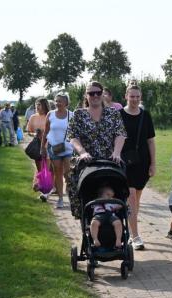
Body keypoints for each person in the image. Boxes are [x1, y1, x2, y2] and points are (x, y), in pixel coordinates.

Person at [67, 81, 126, 219]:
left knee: (119, 186)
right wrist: (82, 152)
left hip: (109, 159)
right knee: (77, 187)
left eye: (98, 93)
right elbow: (73, 137)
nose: (95, 96)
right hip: (87, 160)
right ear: (86, 96)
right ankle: (85, 221)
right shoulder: (78, 114)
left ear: (102, 94)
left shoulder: (113, 113)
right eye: (91, 93)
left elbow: (120, 134)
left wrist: (117, 152)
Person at [119, 81, 156, 250]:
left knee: (136, 199)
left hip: (142, 161)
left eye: (137, 97)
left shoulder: (145, 115)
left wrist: (153, 163)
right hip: (124, 161)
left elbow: (150, 141)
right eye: (131, 96)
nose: (134, 99)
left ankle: (129, 228)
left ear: (140, 98)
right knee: (131, 196)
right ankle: (135, 236)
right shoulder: (118, 114)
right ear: (126, 96)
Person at [41, 92, 74, 208]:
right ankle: (60, 198)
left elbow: (75, 132)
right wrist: (42, 147)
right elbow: (45, 132)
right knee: (58, 172)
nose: (57, 103)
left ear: (66, 103)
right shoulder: (50, 114)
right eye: (56, 101)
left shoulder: (72, 115)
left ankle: (71, 195)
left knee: (68, 173)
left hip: (68, 148)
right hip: (54, 148)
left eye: (60, 101)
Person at [27, 98, 51, 201]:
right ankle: (43, 187)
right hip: (38, 146)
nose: (37, 107)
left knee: (48, 168)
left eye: (39, 105)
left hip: (49, 145)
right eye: (36, 105)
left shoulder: (49, 116)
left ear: (45, 106)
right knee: (40, 169)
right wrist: (35, 134)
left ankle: (45, 191)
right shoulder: (33, 117)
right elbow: (29, 131)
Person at [90, 184, 123, 249]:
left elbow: (120, 205)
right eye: (108, 195)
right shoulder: (96, 201)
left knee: (118, 223)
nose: (110, 198)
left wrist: (119, 205)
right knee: (94, 223)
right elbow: (90, 205)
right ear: (100, 195)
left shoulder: (112, 202)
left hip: (111, 215)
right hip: (99, 215)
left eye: (112, 196)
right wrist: (100, 200)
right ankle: (95, 239)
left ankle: (118, 240)